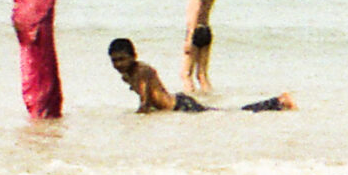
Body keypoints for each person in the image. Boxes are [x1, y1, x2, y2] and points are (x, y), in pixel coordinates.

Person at [107, 38, 294, 111]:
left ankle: (278, 102)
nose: (118, 64)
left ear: (134, 56)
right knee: (226, 113)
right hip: (177, 103)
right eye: (114, 60)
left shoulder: (141, 71)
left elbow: (145, 103)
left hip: (180, 106)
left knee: (233, 113)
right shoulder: (127, 74)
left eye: (122, 59)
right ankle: (277, 102)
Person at [182, 0, 218, 93]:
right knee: (202, 74)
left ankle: (191, 100)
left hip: (195, 29)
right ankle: (209, 97)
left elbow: (195, 10)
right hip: (206, 29)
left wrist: (190, 37)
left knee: (186, 74)